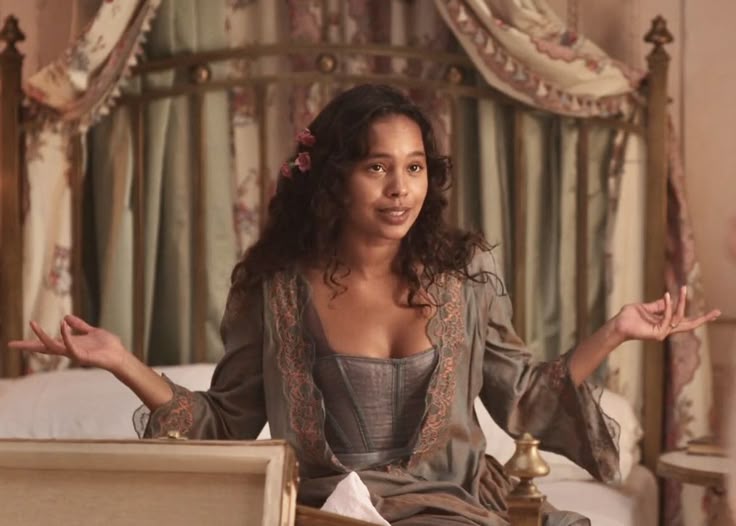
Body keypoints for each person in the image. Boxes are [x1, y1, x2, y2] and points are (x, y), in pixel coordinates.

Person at [9, 84, 720, 526]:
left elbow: (527, 401)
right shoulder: (275, 287)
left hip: (451, 509)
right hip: (322, 514)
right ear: (333, 177)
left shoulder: (466, 274)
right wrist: (121, 361)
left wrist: (615, 331)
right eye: (377, 166)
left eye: (415, 167)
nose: (400, 189)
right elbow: (225, 424)